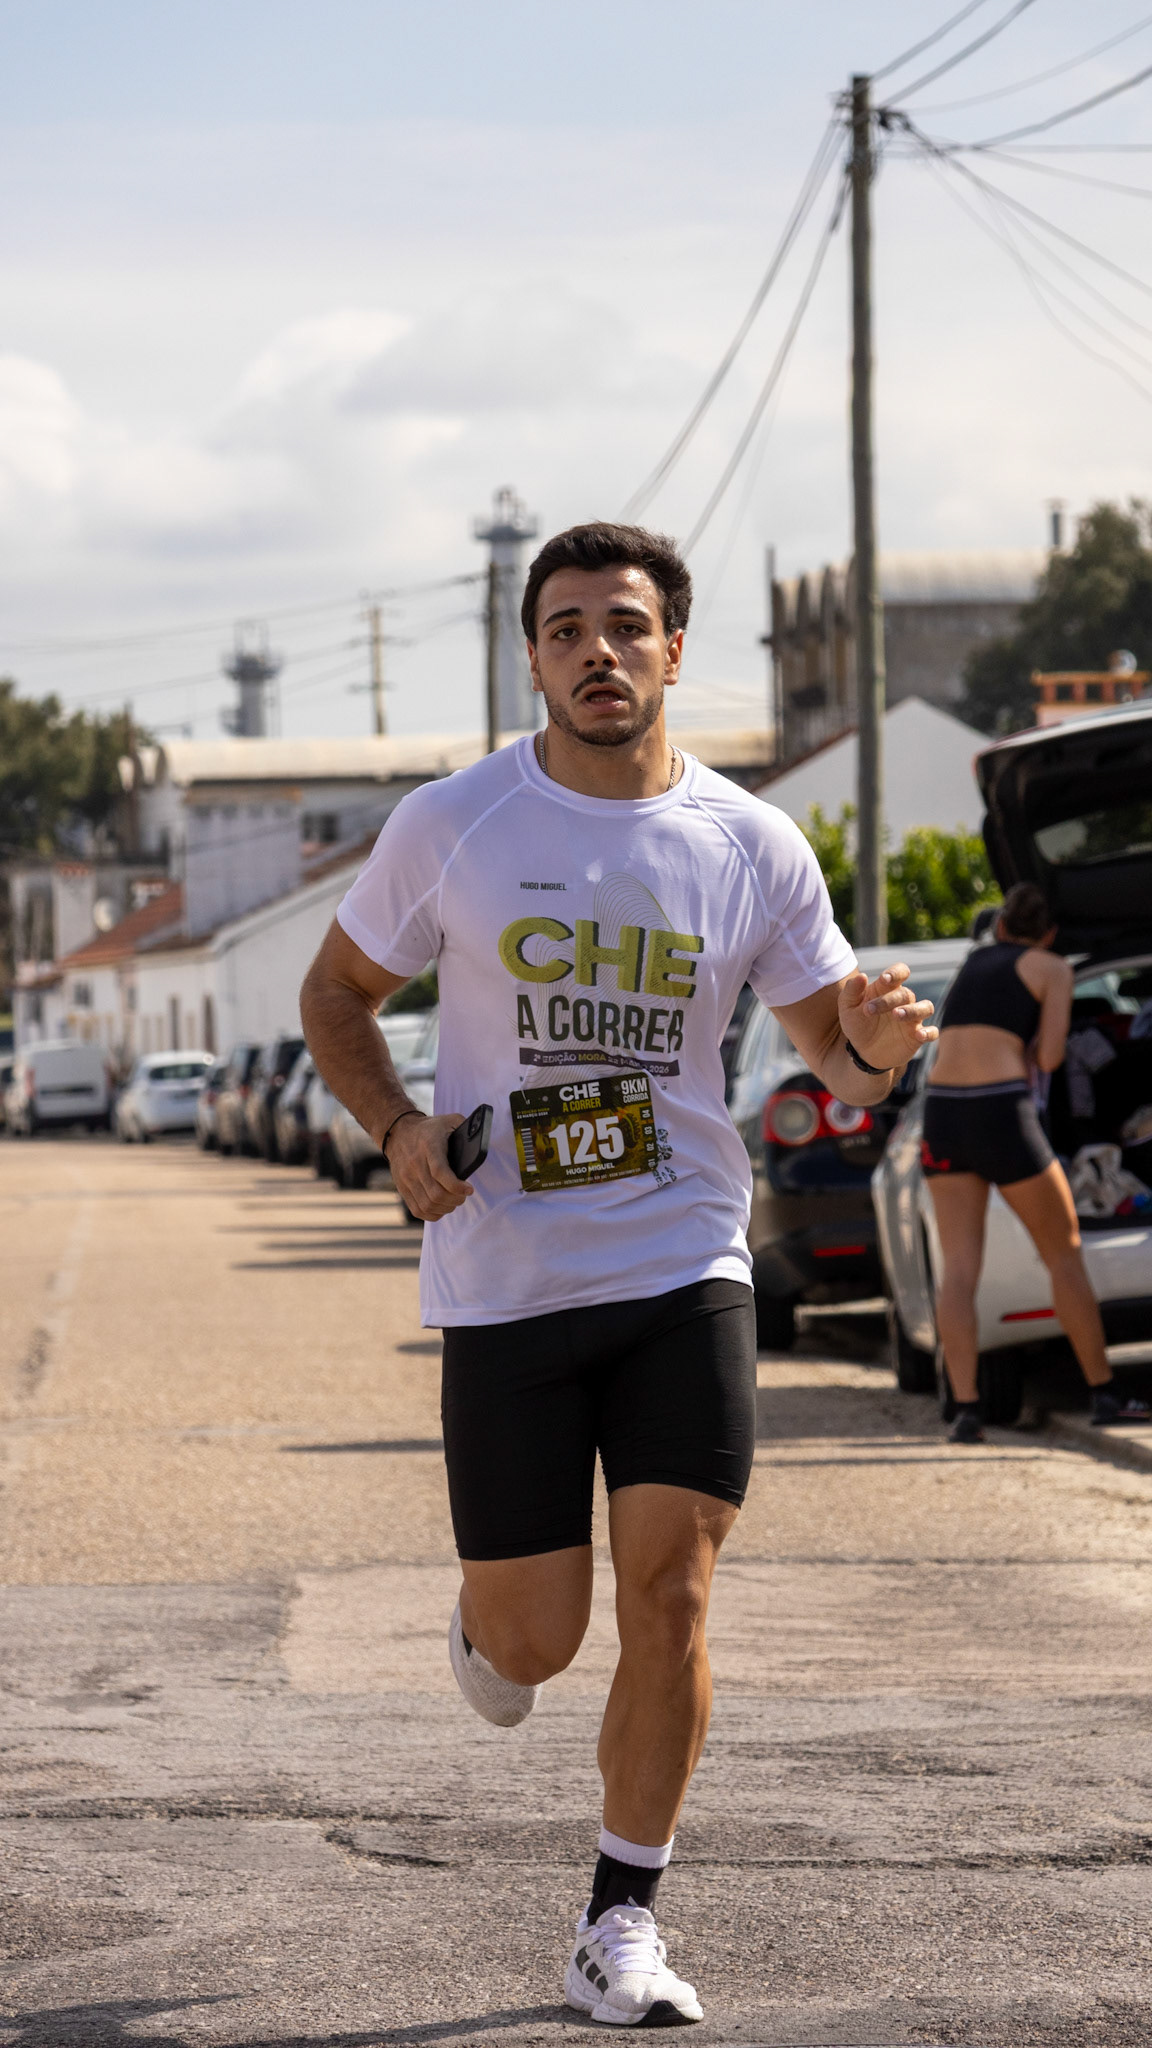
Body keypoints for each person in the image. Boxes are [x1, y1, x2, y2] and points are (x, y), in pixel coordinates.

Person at [300, 522, 936, 2025]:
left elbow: (835, 1053)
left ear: (673, 651)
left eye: (628, 625)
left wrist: (874, 1054)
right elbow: (336, 992)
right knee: (539, 1638)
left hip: (682, 1258)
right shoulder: (456, 824)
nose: (600, 649)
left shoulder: (750, 842)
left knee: (676, 1590)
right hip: (507, 1276)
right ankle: (488, 1618)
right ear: (533, 658)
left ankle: (619, 1919)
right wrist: (398, 1126)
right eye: (568, 626)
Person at [923, 880, 1151, 1446]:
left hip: (943, 1111)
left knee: (958, 1268)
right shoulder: (1052, 968)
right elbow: (1050, 1058)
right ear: (1049, 933)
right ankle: (1104, 1394)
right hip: (1001, 1108)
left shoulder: (973, 964)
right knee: (1063, 1251)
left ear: (1001, 925)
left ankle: (966, 1410)